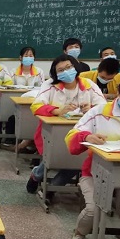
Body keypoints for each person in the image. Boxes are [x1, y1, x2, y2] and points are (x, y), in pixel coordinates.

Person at [65, 76, 120, 239]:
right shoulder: (99, 112)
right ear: (118, 92)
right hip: (95, 172)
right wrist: (86, 137)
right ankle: (79, 235)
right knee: (94, 209)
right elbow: (71, 137)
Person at [26, 54, 106, 194]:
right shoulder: (50, 85)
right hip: (55, 132)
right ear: (56, 73)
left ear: (75, 66)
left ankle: (53, 187)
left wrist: (92, 108)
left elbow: (103, 108)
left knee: (77, 159)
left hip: (82, 132)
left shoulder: (89, 85)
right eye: (61, 70)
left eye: (69, 67)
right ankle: (36, 175)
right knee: (53, 157)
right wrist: (58, 110)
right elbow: (36, 106)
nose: (66, 71)